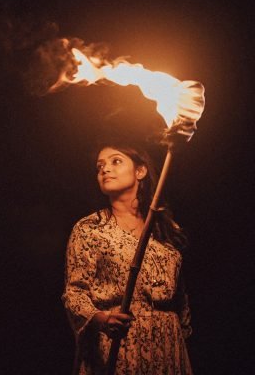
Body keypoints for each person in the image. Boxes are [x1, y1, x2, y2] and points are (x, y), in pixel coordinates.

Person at [62, 141, 192, 374]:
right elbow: (74, 294)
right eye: (100, 165)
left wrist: (180, 338)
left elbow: (181, 299)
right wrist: (102, 320)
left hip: (167, 345)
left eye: (116, 161)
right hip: (119, 344)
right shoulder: (90, 229)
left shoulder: (166, 229)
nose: (105, 169)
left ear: (140, 171)